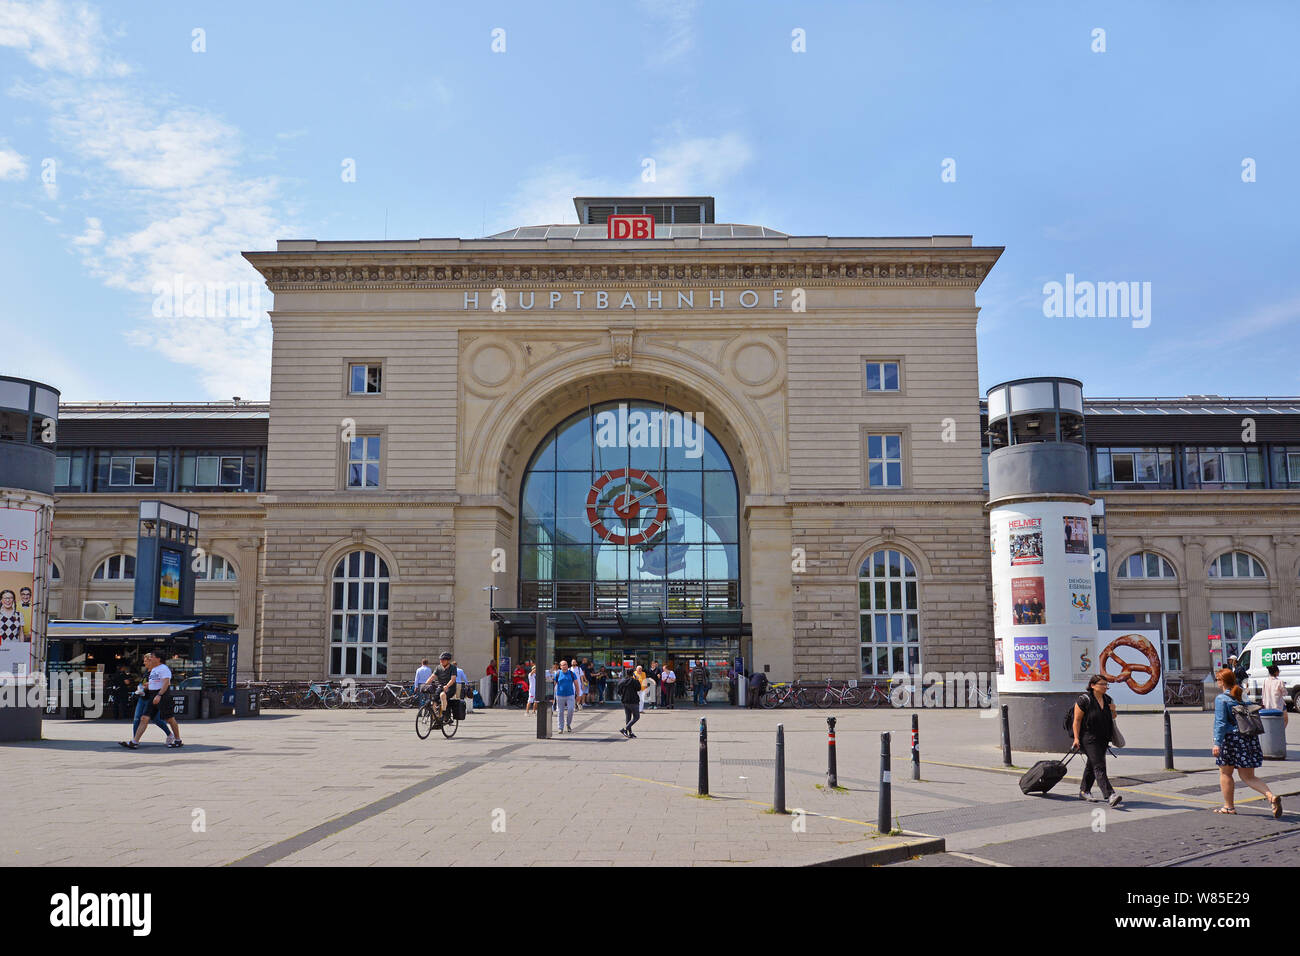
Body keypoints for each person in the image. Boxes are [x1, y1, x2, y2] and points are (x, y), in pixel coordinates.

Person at [1213, 667, 1282, 816]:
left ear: (1223, 682)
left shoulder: (1221, 699)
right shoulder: (1241, 695)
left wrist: (1216, 743)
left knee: (1225, 773)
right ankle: (1271, 796)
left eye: (1217, 679)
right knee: (1248, 776)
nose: (1216, 683)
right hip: (1247, 738)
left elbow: (1220, 723)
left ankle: (1229, 807)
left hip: (1230, 739)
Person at [1071, 674, 1120, 807]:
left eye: (1106, 685)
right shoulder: (1084, 700)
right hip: (1088, 738)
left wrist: (1114, 710)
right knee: (1099, 766)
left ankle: (1084, 790)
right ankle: (1110, 794)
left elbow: (1113, 717)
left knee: (1092, 765)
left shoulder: (1108, 699)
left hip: (1103, 738)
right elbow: (1077, 721)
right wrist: (1076, 738)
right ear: (1093, 686)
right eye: (1102, 684)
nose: (1105, 687)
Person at [121, 651, 183, 748]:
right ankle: (135, 742)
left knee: (170, 719)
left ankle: (178, 740)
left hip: (162, 695)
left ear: (158, 659)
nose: (150, 659)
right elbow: (155, 682)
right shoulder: (154, 669)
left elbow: (166, 683)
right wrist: (147, 686)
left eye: (152, 657)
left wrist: (159, 695)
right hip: (152, 695)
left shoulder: (164, 668)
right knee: (144, 718)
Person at [427, 652, 457, 719]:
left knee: (442, 695)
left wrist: (447, 686)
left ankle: (444, 714)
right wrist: (425, 684)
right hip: (441, 687)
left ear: (448, 660)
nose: (441, 661)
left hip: (451, 688)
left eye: (443, 660)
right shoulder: (438, 667)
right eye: (440, 660)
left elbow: (453, 679)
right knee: (434, 700)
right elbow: (432, 677)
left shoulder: (453, 668)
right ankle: (434, 718)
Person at [554, 659, 578, 733]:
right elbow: (553, 685)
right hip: (560, 695)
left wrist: (579, 694)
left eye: (566, 664)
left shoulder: (571, 673)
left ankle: (568, 724)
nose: (565, 666)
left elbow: (576, 684)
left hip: (570, 695)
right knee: (560, 712)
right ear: (560, 666)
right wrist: (551, 696)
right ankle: (560, 728)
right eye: (563, 665)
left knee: (571, 710)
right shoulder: (557, 674)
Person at [618, 668, 642, 738]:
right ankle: (625, 729)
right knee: (636, 717)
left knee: (628, 717)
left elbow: (619, 691)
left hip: (625, 701)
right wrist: (637, 680)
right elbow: (639, 688)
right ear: (633, 674)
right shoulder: (634, 681)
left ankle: (630, 732)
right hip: (633, 701)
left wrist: (623, 694)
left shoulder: (622, 681)